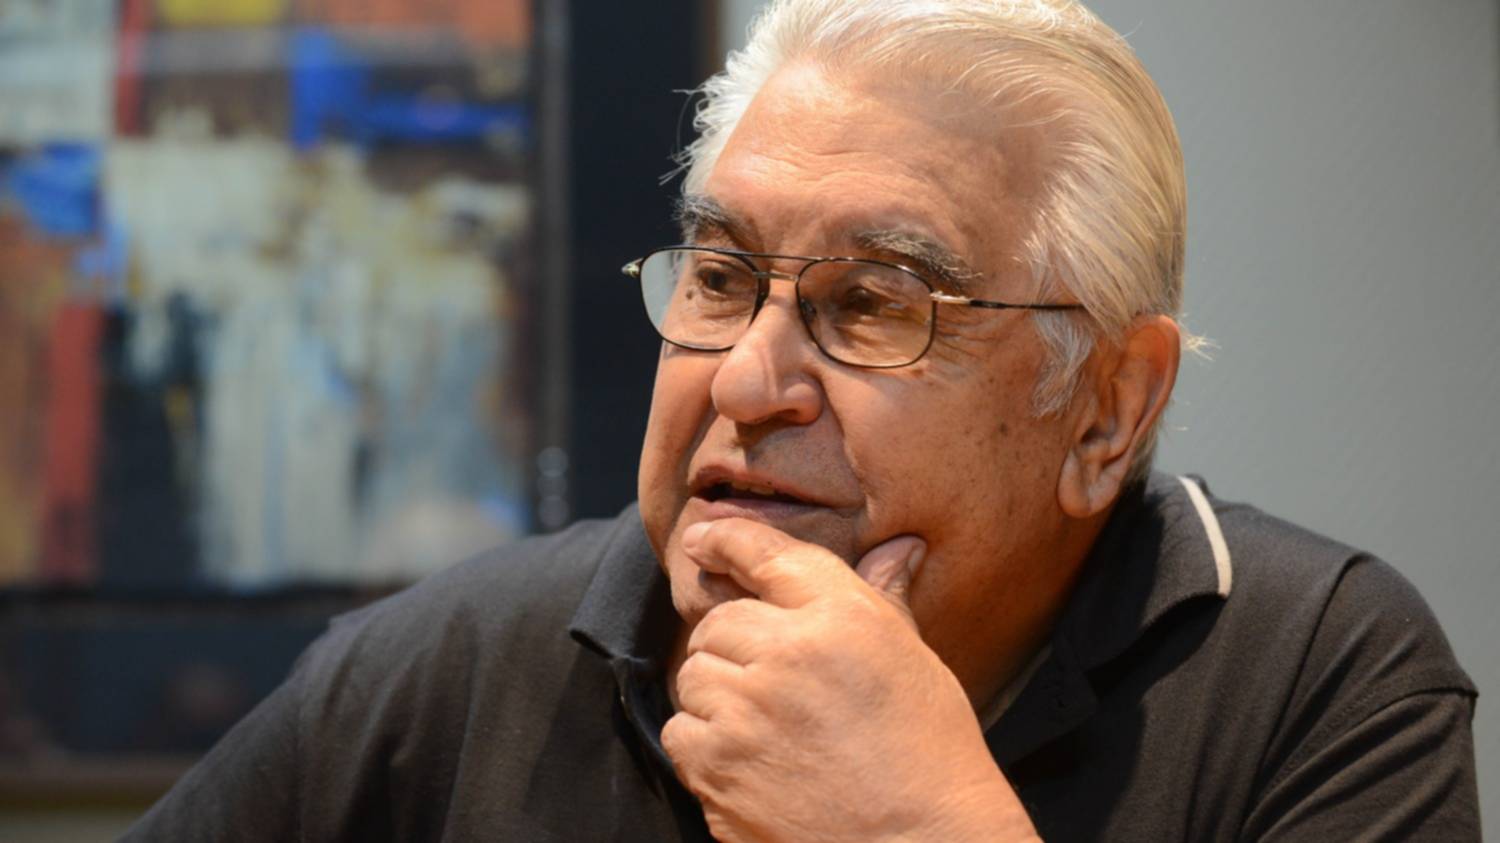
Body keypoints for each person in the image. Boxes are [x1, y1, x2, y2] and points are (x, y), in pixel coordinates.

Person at [124, 1, 1479, 840]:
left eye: (875, 305)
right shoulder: (449, 669)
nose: (741, 382)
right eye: (719, 280)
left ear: (1105, 414)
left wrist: (912, 827)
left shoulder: (1318, 675)